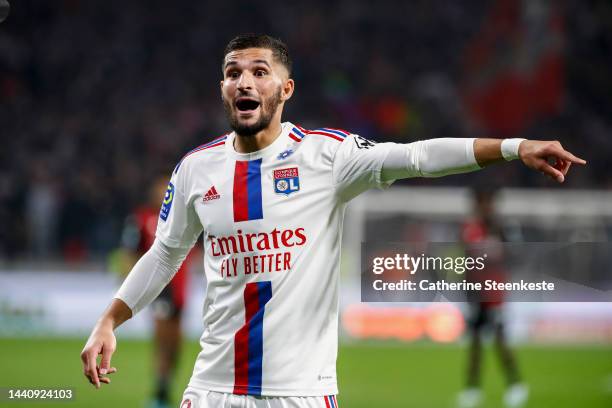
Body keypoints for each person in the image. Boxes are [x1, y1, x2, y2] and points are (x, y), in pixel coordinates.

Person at [80, 34, 585, 408]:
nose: (244, 82)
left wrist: (516, 148)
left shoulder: (328, 157)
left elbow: (416, 157)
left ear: (286, 88)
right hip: (212, 390)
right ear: (223, 88)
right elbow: (165, 253)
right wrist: (109, 319)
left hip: (301, 394)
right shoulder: (195, 169)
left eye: (259, 71)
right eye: (234, 72)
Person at [112, 177, 196, 408]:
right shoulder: (141, 218)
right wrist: (128, 281)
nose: (162, 193)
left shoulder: (183, 217)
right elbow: (130, 252)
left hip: (181, 289)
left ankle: (164, 390)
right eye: (159, 189)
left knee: (176, 343)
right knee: (163, 340)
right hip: (161, 290)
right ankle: (158, 395)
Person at [457, 189, 527, 408]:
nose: (482, 207)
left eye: (485, 203)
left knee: (499, 341)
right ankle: (472, 389)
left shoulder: (503, 229)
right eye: (479, 203)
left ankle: (516, 385)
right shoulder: (469, 229)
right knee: (475, 344)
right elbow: (466, 263)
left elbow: (515, 258)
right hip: (474, 294)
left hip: (495, 294)